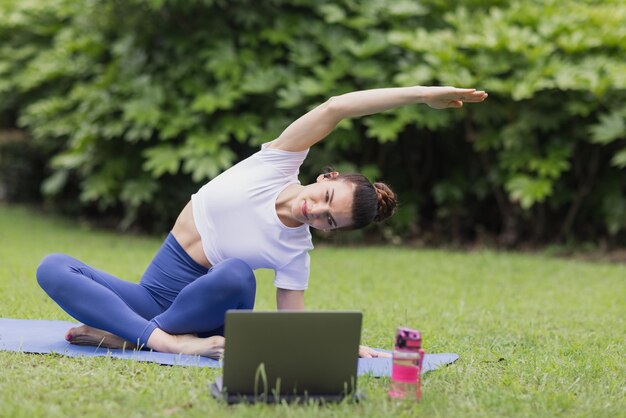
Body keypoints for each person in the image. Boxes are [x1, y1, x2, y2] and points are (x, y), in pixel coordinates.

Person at [36, 86, 488, 359]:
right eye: (326, 197)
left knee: (235, 272)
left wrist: (339, 346)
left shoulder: (295, 251)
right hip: (153, 297)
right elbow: (336, 107)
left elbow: (291, 324)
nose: (316, 211)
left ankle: (142, 335)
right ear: (324, 176)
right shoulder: (275, 162)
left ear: (331, 232)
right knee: (52, 265)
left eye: (329, 221)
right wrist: (423, 95)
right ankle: (153, 337)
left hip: (210, 318)